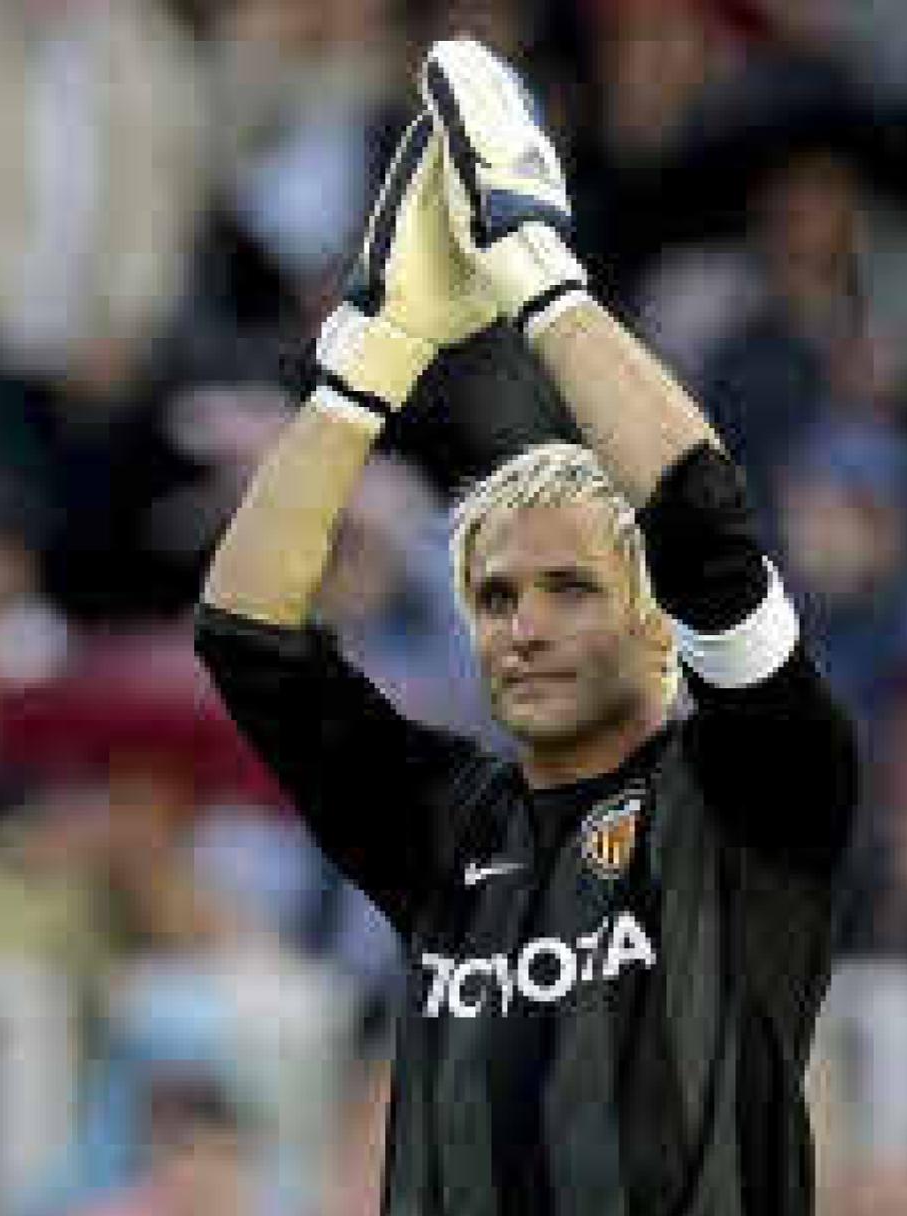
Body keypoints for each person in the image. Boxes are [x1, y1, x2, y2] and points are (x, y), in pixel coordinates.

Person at [195, 39, 863, 1215]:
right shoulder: (444, 828)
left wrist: (541, 281)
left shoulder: (761, 792)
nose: (524, 625)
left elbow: (704, 524)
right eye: (496, 596)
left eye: (571, 588)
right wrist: (368, 363)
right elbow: (246, 635)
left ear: (659, 627)